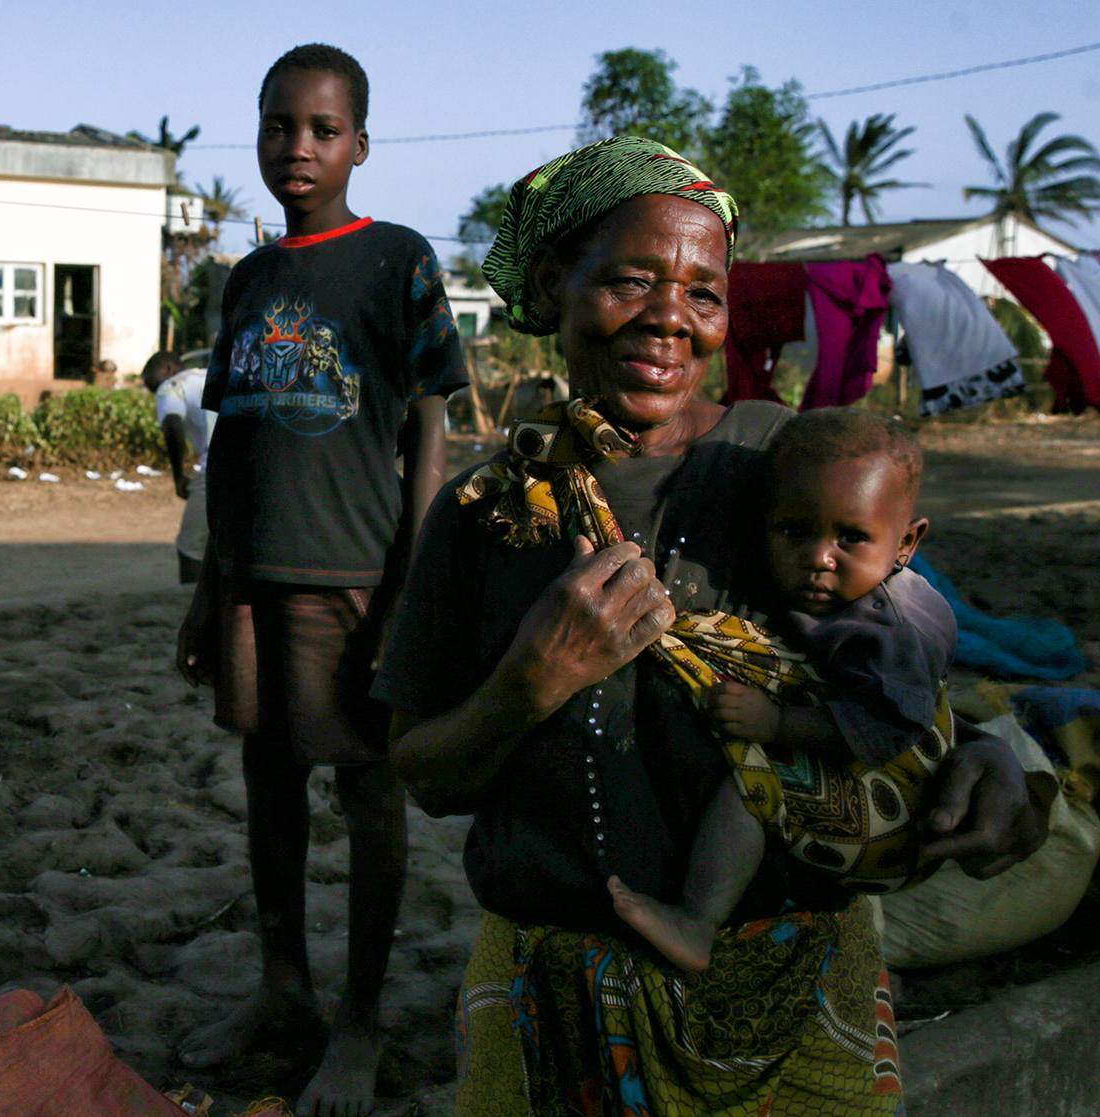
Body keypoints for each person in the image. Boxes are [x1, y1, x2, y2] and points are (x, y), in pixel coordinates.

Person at [374, 135, 1045, 1116]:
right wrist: (530, 681)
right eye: (630, 279)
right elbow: (422, 772)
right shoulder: (483, 511)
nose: (666, 320)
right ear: (556, 282)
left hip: (797, 984)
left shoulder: (787, 465)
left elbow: (904, 663)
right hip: (555, 996)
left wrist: (993, 758)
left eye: (701, 292)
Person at [173, 43, 469, 1117]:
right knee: (266, 783)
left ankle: (360, 1020)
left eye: (321, 129)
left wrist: (411, 583)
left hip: (353, 574)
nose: (296, 148)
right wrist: (209, 585)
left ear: (358, 144)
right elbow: (234, 442)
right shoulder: (247, 280)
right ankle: (282, 988)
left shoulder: (395, 259)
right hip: (249, 577)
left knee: (365, 789)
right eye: (276, 126)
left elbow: (431, 425)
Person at [610, 409, 960, 973]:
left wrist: (776, 724)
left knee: (747, 786)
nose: (819, 560)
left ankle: (698, 920)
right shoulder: (844, 593)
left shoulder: (895, 625)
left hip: (899, 789)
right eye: (794, 532)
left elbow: (890, 724)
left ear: (906, 542)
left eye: (852, 538)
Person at [143, 350, 218, 584]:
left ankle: (190, 608)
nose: (152, 388)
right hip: (256, 468)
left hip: (217, 471)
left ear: (167, 369)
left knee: (190, 547)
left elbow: (172, 424)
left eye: (150, 381)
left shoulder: (171, 386)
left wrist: (178, 476)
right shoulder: (214, 376)